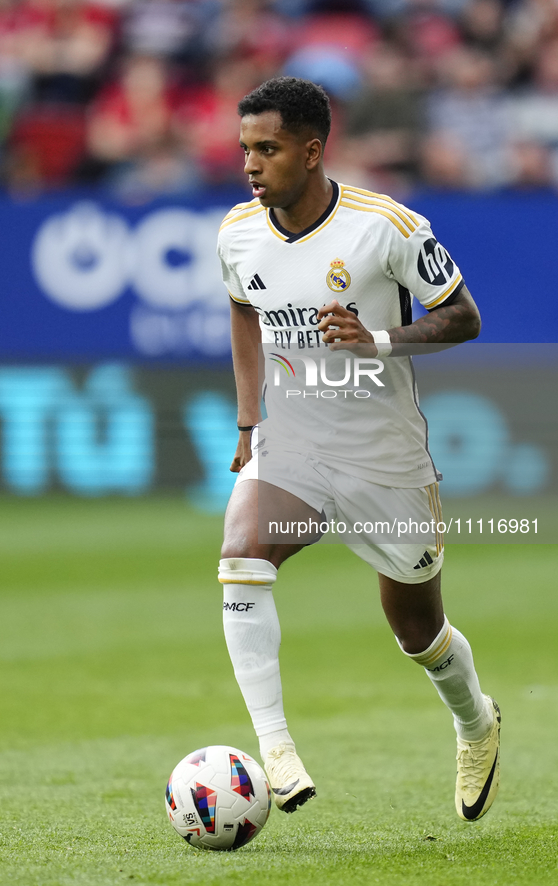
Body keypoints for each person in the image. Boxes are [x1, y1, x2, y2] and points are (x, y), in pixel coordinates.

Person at [216, 76, 500, 821]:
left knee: (417, 631)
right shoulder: (237, 232)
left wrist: (377, 339)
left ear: (311, 152)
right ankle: (275, 753)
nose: (250, 165)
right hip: (296, 442)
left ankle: (475, 722)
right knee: (242, 552)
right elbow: (243, 312)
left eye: (267, 149)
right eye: (245, 148)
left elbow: (463, 318)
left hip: (384, 458)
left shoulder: (387, 227)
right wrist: (249, 424)